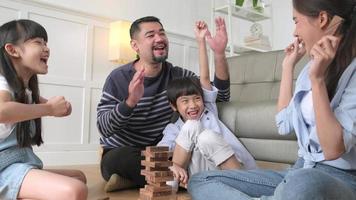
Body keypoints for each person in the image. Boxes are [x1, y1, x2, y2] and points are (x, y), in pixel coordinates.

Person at [188, 0, 356, 199]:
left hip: (338, 179)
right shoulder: (308, 70)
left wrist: (317, 80)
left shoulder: (339, 73)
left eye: (296, 21)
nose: (295, 32)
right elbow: (283, 124)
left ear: (322, 19)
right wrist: (287, 67)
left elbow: (333, 149)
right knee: (201, 180)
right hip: (298, 170)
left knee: (301, 184)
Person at [97, 16, 231, 192]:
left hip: (165, 151)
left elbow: (219, 97)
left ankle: (147, 179)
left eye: (162, 33)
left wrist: (220, 55)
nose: (159, 38)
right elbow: (103, 127)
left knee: (179, 154)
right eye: (150, 35)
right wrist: (130, 102)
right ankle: (170, 178)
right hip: (126, 152)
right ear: (135, 46)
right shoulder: (118, 78)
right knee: (119, 158)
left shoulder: (178, 76)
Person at [157, 21, 256, 187]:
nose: (193, 105)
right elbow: (159, 154)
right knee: (190, 128)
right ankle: (168, 190)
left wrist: (200, 41)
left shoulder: (208, 109)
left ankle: (244, 185)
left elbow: (204, 77)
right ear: (174, 106)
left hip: (232, 168)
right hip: (204, 175)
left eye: (196, 98)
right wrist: (172, 165)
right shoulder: (173, 129)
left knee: (203, 135)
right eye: (185, 101)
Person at [0, 19, 87, 200]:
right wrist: (48, 108)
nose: (46, 48)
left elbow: (51, 107)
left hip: (17, 163)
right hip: (3, 168)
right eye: (38, 42)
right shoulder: (2, 83)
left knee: (80, 177)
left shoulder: (25, 91)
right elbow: (2, 111)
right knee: (74, 191)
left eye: (46, 43)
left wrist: (61, 108)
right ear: (12, 50)